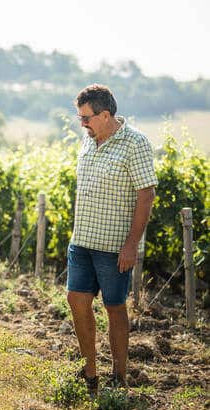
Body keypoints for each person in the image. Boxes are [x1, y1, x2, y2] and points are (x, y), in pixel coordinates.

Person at [67, 84, 157, 391]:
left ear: (106, 115)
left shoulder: (135, 143)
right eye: (79, 118)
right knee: (76, 300)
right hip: (82, 240)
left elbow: (146, 195)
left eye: (87, 118)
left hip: (113, 245)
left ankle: (120, 377)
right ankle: (90, 372)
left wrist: (131, 245)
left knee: (115, 307)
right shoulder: (88, 139)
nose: (82, 124)